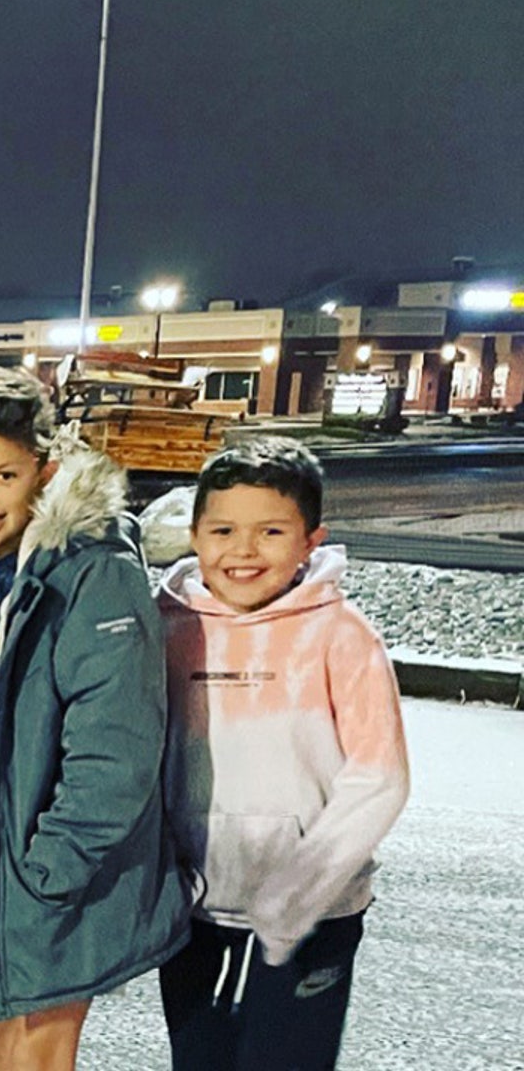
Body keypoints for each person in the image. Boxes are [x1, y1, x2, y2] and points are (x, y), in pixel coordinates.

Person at [0, 368, 188, 1071]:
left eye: (4, 476)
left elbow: (115, 748)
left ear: (44, 471)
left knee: (38, 1046)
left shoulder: (88, 573)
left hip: (39, 864)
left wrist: (51, 867)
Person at [156, 437, 409, 1071]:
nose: (243, 551)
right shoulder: (168, 629)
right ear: (195, 535)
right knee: (199, 1061)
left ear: (310, 541)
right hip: (195, 911)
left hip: (315, 916)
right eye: (223, 530)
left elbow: (379, 776)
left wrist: (297, 892)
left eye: (270, 531)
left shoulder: (341, 636)